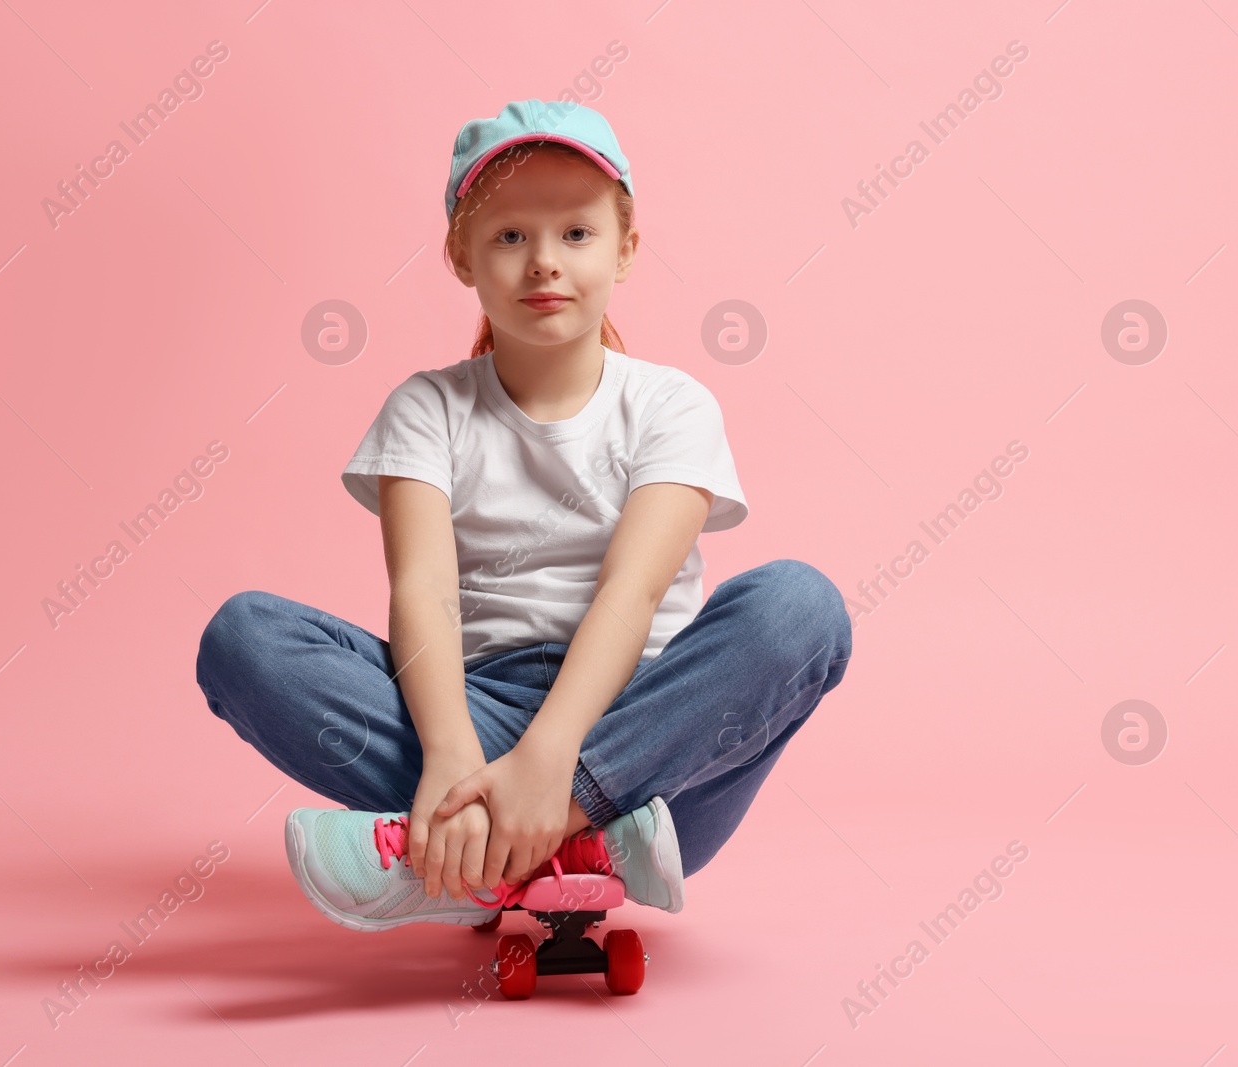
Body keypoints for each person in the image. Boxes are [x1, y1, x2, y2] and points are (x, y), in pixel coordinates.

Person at [194, 99, 852, 933]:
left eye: (576, 234)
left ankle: (476, 850)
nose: (544, 261)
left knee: (800, 605)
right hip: (475, 715)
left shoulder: (671, 405)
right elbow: (423, 590)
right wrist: (451, 759)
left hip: (650, 735)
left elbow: (633, 590)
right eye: (509, 236)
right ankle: (547, 843)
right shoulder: (427, 408)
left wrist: (554, 771)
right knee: (243, 636)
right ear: (462, 255)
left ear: (627, 247)